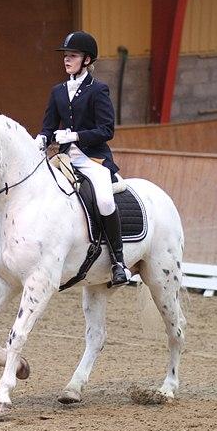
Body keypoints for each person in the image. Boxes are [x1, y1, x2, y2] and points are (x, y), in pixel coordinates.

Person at [36, 31, 130, 287]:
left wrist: (75, 135)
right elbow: (48, 126)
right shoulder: (57, 91)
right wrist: (41, 139)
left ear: (87, 60)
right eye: (66, 56)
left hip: (93, 159)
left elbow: (106, 130)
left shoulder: (97, 90)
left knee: (103, 200)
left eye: (73, 56)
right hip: (64, 159)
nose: (67, 60)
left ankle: (118, 262)